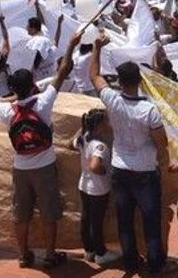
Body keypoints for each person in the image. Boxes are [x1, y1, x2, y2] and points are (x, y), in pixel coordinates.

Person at [0, 29, 75, 268]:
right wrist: (71, 43)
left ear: (15, 89)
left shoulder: (8, 111)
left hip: (20, 168)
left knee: (21, 213)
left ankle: (24, 255)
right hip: (44, 167)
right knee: (48, 213)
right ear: (33, 85)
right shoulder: (42, 103)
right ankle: (50, 254)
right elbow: (63, 71)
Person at [89, 30, 171, 275]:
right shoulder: (149, 110)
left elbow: (93, 75)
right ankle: (155, 267)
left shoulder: (112, 100)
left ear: (120, 81)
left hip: (120, 169)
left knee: (125, 223)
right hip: (145, 171)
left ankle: (131, 263)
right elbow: (161, 142)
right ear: (140, 80)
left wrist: (97, 48)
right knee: (150, 223)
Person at [73, 108, 119, 266]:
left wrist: (83, 127)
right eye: (106, 121)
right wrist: (105, 171)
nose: (108, 124)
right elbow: (94, 166)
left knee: (86, 218)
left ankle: (89, 250)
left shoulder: (83, 138)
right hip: (98, 188)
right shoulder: (99, 146)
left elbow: (70, 143)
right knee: (96, 221)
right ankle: (100, 253)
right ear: (99, 125)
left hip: (84, 185)